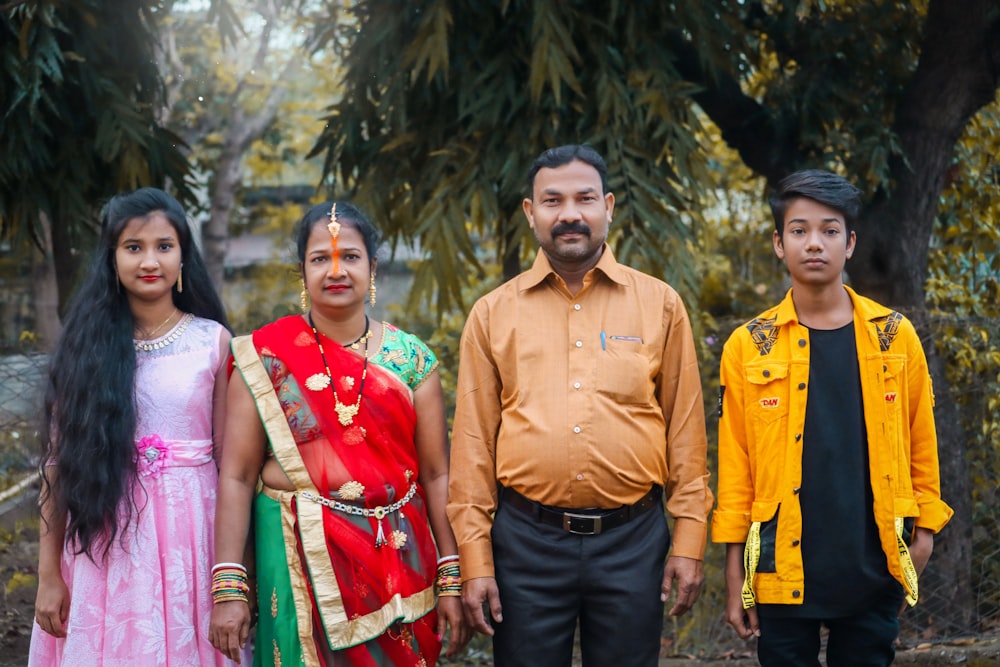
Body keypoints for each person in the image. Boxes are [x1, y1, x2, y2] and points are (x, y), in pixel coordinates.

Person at [447, 144, 714, 666]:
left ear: (608, 206)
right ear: (531, 213)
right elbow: (473, 448)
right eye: (552, 200)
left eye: (585, 198)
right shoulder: (492, 315)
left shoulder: (659, 304)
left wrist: (687, 541)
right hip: (524, 544)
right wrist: (476, 561)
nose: (570, 213)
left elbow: (686, 435)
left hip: (633, 542)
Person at [209, 201, 469, 666]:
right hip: (293, 555)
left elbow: (434, 474)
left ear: (372, 267)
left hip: (397, 557)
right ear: (301, 272)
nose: (336, 270)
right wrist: (230, 586)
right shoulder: (264, 356)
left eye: (350, 256)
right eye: (319, 258)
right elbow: (237, 476)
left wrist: (452, 575)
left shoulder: (412, 360)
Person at [712, 169, 954, 666]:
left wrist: (923, 535)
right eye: (799, 231)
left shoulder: (894, 336)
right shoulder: (748, 344)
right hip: (782, 567)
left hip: (874, 563)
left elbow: (921, 442)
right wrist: (736, 572)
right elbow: (736, 467)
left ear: (850, 243)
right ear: (779, 244)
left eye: (829, 230)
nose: (814, 243)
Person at [29, 188, 234, 665]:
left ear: (184, 255)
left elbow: (232, 467)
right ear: (112, 258)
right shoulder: (85, 349)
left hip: (192, 542)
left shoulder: (213, 342)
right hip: (104, 542)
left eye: (164, 246)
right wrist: (48, 575)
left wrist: (234, 576)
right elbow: (57, 466)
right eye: (133, 247)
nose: (150, 260)